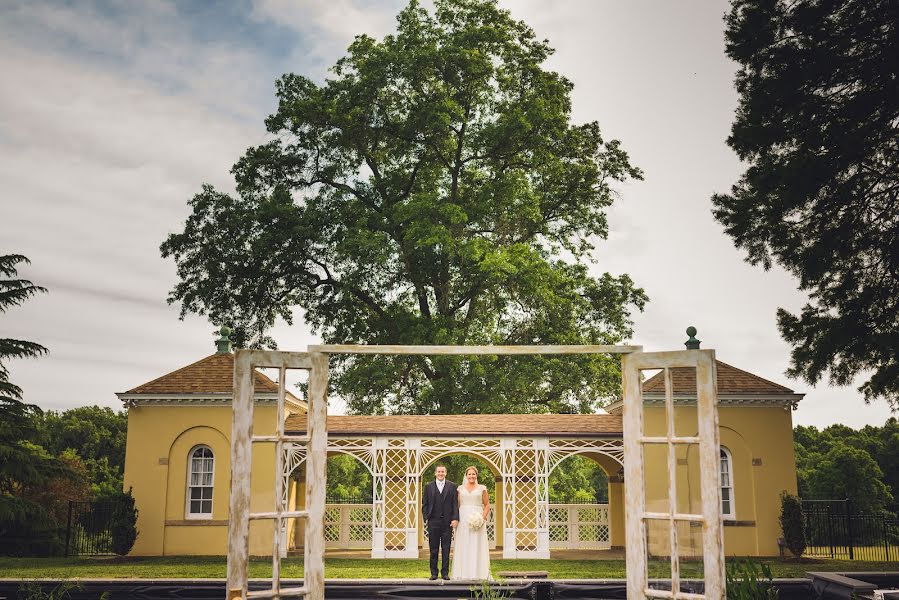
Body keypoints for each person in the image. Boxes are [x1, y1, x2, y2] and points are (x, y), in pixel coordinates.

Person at [450, 466, 491, 580]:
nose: (471, 476)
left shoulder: (482, 488)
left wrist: (482, 518)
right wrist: (455, 518)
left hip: (478, 519)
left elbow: (487, 505)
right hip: (463, 519)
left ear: (476, 476)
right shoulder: (460, 489)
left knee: (476, 544)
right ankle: (463, 573)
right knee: (464, 544)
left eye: (473, 474)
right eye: (469, 474)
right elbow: (456, 506)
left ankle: (478, 573)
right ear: (466, 475)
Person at [421, 464, 459, 580]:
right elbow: (425, 504)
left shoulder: (452, 486)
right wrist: (427, 517)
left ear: (446, 473)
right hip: (433, 522)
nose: (441, 473)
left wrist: (455, 518)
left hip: (447, 523)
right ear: (435, 473)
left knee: (446, 548)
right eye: (439, 472)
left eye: (443, 472)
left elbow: (454, 504)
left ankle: (445, 573)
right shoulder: (428, 486)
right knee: (433, 549)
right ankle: (434, 573)